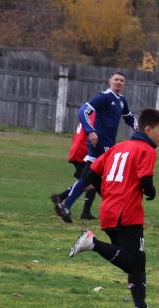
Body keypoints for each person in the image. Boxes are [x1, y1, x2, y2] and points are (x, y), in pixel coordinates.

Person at [68, 108, 159, 308]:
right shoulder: (147, 150)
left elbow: (91, 172)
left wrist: (106, 193)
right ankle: (92, 243)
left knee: (138, 261)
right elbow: (146, 181)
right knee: (132, 261)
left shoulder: (118, 147)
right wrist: (151, 192)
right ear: (147, 129)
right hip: (127, 213)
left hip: (110, 210)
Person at [53, 72, 135, 222]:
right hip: (99, 144)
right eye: (116, 79)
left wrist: (141, 128)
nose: (118, 82)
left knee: (89, 177)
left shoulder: (121, 100)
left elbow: (129, 118)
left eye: (122, 80)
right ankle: (116, 210)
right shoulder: (104, 97)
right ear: (110, 81)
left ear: (124, 84)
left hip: (109, 145)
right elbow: (83, 110)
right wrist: (90, 131)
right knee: (99, 177)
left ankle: (65, 203)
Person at [50, 118, 98, 221]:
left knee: (89, 181)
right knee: (90, 181)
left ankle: (61, 198)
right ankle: (78, 208)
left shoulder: (89, 113)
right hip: (83, 152)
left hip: (77, 150)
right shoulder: (96, 114)